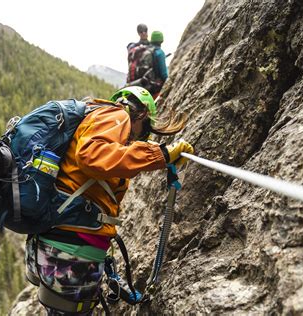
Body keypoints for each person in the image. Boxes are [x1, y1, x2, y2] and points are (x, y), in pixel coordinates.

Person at [25, 86, 194, 315]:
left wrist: (157, 155)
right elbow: (93, 157)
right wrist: (160, 155)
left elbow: (104, 160)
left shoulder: (94, 117)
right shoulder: (116, 115)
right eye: (141, 133)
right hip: (72, 247)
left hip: (61, 243)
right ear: (142, 115)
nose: (133, 139)